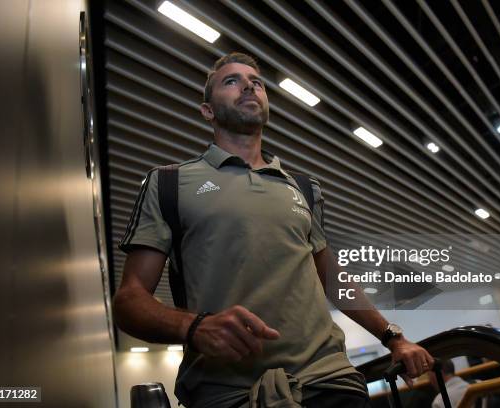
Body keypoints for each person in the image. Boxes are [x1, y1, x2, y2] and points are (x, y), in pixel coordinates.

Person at [113, 52, 434, 408]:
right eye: (231, 81)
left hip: (328, 381)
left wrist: (392, 337)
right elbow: (130, 301)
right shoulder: (169, 182)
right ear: (207, 111)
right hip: (227, 393)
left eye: (256, 81)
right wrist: (194, 327)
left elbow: (332, 278)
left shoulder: (304, 187)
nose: (249, 85)